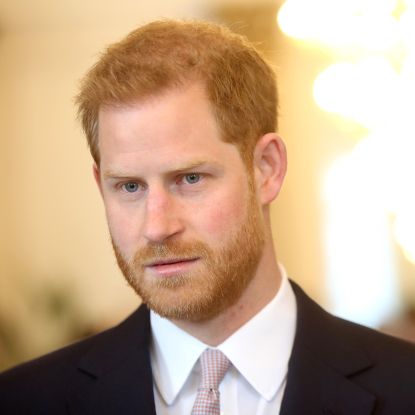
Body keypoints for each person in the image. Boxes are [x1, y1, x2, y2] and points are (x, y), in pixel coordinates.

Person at [0, 19, 414, 415]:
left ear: (266, 168)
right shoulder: (22, 401)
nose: (157, 226)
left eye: (189, 178)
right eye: (129, 187)